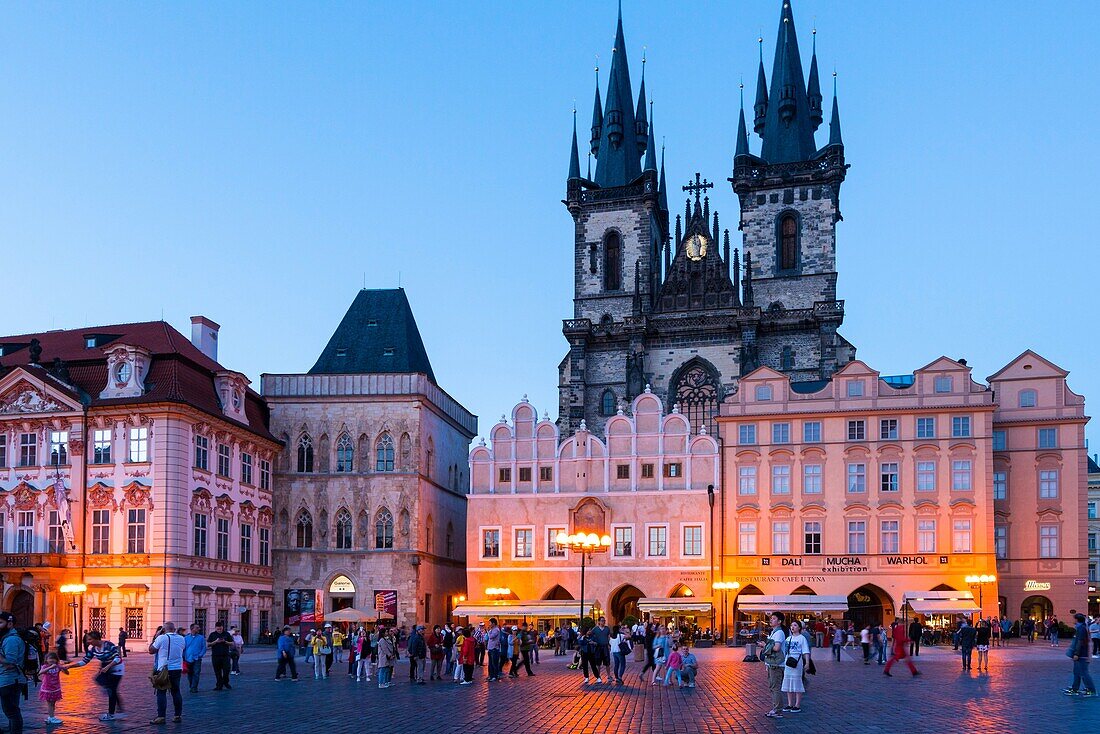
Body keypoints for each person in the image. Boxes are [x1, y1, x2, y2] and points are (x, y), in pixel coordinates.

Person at [68, 630, 124, 721]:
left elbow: (117, 658)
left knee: (112, 690)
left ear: (96, 639)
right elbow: (84, 661)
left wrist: (108, 666)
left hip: (116, 668)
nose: (88, 642)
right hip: (105, 667)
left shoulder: (108, 645)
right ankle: (118, 708)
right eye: (87, 640)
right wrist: (70, 666)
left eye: (89, 639)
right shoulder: (93, 649)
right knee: (100, 681)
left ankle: (111, 714)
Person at [148, 622, 185, 725]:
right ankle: (177, 715)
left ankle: (161, 717)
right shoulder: (182, 638)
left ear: (164, 629)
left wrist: (156, 636)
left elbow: (151, 650)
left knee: (161, 692)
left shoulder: (161, 638)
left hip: (164, 669)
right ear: (174, 629)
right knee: (176, 692)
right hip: (177, 668)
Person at [0, 612, 25, 734]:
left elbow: (11, 662)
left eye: (0, 623)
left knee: (11, 711)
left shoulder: (12, 640)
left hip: (10, 680)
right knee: (10, 710)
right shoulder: (6, 638)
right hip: (6, 679)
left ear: (9, 624)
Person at [1064, 613, 1097, 697]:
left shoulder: (1081, 628)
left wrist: (1076, 654)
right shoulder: (1081, 627)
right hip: (1081, 654)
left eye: (1073, 619)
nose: (1072, 620)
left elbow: (1080, 642)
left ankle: (1091, 690)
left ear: (1077, 620)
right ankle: (1075, 688)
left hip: (1082, 654)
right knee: (1077, 672)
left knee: (1084, 673)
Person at [763, 613, 787, 720]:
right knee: (773, 687)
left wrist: (765, 646)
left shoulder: (779, 633)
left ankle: (777, 710)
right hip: (772, 663)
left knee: (775, 687)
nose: (771, 620)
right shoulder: (774, 632)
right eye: (771, 618)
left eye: (774, 618)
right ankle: (775, 708)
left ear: (780, 621)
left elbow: (777, 648)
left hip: (777, 664)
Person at [782, 620, 809, 713]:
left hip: (797, 662)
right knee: (788, 682)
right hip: (788, 662)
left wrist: (807, 663)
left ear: (799, 627)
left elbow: (806, 651)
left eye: (795, 625)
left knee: (797, 682)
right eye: (791, 625)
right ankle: (790, 704)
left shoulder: (802, 638)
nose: (792, 627)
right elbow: (784, 651)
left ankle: (797, 704)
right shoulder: (788, 639)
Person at [38, 651, 66, 725]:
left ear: (57, 660)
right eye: (50, 659)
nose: (52, 660)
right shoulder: (45, 666)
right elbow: (40, 672)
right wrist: (50, 667)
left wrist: (64, 668)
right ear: (46, 660)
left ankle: (51, 717)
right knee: (49, 703)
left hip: (55, 688)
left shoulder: (57, 666)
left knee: (53, 704)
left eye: (54, 659)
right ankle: (51, 717)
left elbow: (67, 673)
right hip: (47, 688)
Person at [207, 621, 233, 690]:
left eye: (220, 629)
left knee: (226, 670)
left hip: (225, 656)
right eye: (218, 629)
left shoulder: (226, 634)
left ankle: (226, 682)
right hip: (215, 656)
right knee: (217, 671)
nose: (219, 630)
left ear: (222, 628)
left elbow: (232, 643)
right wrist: (215, 642)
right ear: (215, 628)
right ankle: (219, 685)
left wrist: (225, 641)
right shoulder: (212, 634)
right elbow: (208, 644)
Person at [183, 623, 206, 693]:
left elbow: (204, 647)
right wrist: (183, 656)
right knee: (189, 673)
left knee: (196, 673)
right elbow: (183, 648)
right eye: (197, 628)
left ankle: (194, 687)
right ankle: (191, 685)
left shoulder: (201, 638)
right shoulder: (186, 638)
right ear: (192, 629)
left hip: (197, 658)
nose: (199, 629)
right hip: (188, 658)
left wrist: (200, 655)